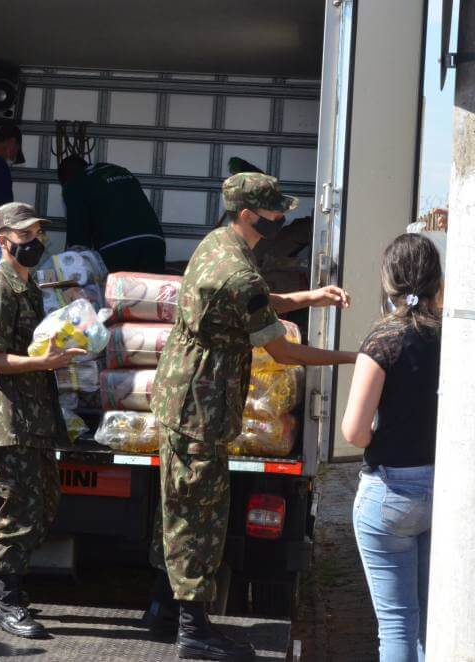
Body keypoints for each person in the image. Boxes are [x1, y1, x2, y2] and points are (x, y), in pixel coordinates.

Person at [147, 172, 357, 661]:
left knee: (178, 506)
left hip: (186, 397)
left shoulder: (218, 244)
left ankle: (162, 611)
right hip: (200, 406)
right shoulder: (235, 271)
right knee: (198, 515)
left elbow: (257, 304)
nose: (281, 221)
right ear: (247, 214)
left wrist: (310, 296)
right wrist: (354, 359)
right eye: (273, 214)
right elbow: (282, 351)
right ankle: (193, 631)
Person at [0, 202, 85, 639]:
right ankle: (9, 601)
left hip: (34, 417)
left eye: (38, 234)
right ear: (3, 241)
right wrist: (44, 362)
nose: (35, 243)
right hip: (9, 419)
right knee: (20, 510)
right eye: (26, 236)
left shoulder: (28, 285)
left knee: (44, 506)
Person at [342, 234, 442, 662]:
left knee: (398, 624)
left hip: (390, 494)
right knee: (430, 625)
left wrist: (375, 437)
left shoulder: (384, 339)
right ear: (438, 281)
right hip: (443, 490)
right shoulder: (455, 338)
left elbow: (353, 430)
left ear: (389, 282)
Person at [57, 156, 166, 273]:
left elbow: (78, 240)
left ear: (65, 178)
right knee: (151, 288)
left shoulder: (74, 184)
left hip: (118, 248)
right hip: (155, 243)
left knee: (119, 290)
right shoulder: (121, 171)